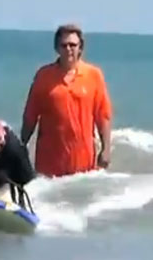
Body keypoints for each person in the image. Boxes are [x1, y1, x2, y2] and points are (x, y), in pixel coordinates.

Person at [21, 24, 113, 177]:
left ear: (80, 48)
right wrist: (21, 146)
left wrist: (106, 149)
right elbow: (30, 115)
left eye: (73, 45)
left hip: (84, 165)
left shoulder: (93, 75)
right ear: (57, 48)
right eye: (64, 45)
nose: (68, 49)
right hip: (49, 166)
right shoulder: (44, 76)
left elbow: (103, 116)